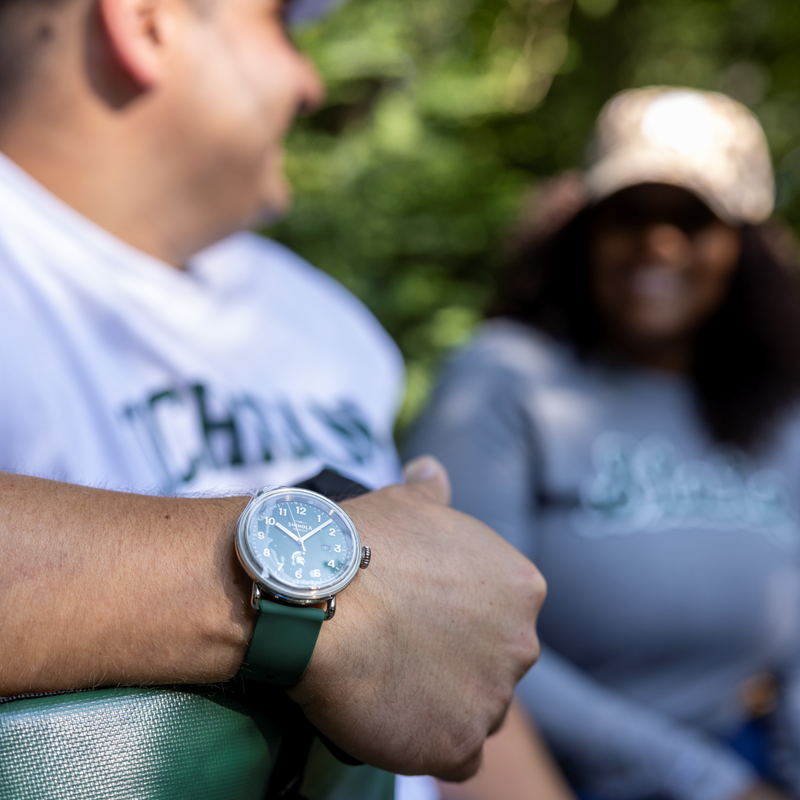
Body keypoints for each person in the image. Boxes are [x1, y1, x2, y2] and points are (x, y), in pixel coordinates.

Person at [0, 0, 547, 793]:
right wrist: (324, 602)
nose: (311, 82)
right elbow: (383, 604)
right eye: (280, 28)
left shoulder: (326, 319)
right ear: (146, 22)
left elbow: (440, 657)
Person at [409, 86, 800, 800]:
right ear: (582, 230)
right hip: (552, 774)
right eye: (630, 214)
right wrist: (703, 783)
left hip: (750, 756)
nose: (658, 242)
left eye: (693, 219)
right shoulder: (505, 379)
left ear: (741, 246)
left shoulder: (779, 404)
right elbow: (457, 630)